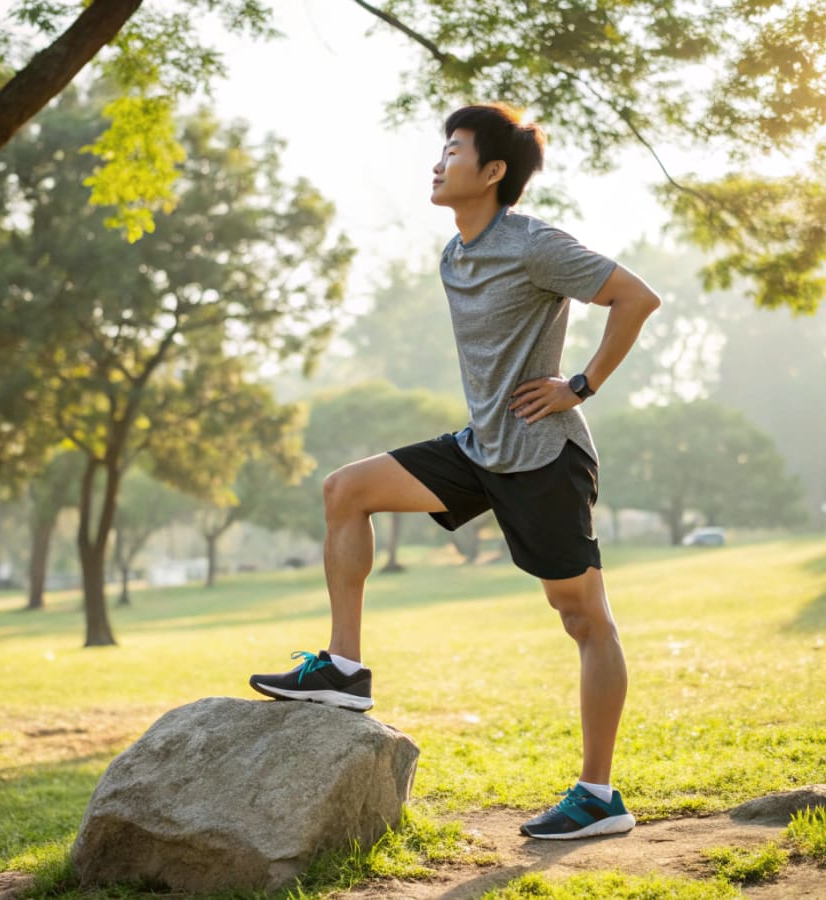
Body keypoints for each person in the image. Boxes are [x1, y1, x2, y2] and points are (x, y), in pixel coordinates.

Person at [249, 104, 661, 840]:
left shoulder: (533, 243)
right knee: (346, 489)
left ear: (494, 172)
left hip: (542, 454)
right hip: (480, 448)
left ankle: (599, 797)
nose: (437, 165)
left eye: (453, 151)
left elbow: (636, 297)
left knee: (583, 618)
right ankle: (345, 669)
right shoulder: (455, 253)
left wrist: (581, 384)